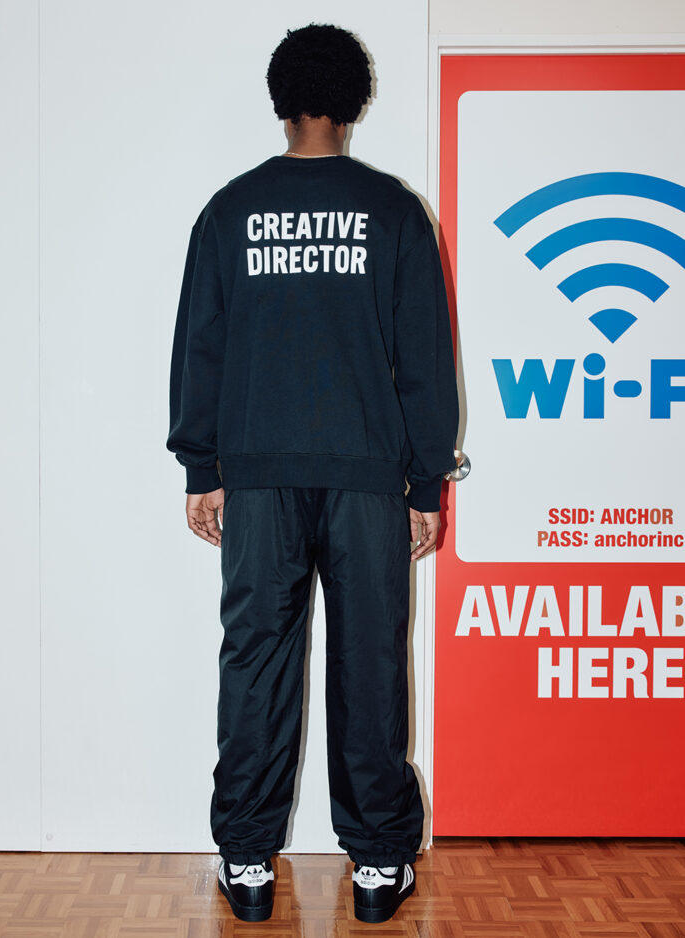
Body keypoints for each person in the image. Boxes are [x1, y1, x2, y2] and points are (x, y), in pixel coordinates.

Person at [166, 22, 459, 924]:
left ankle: (247, 860)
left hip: (258, 479)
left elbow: (200, 347)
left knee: (256, 661)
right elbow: (425, 361)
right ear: (354, 102)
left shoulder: (231, 211)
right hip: (369, 478)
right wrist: (425, 484)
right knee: (369, 662)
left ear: (281, 100)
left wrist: (201, 466)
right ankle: (378, 865)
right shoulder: (394, 212)